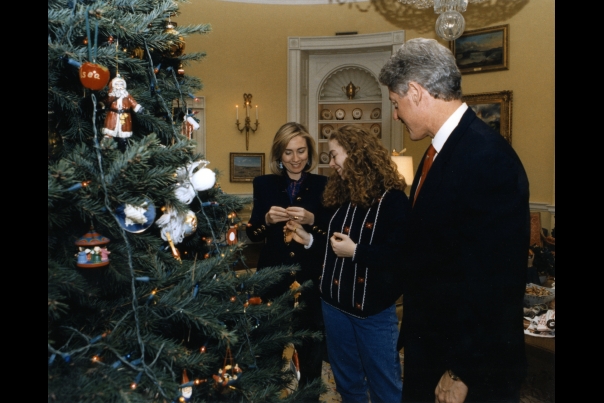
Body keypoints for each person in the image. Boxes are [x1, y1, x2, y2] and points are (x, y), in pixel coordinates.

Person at [378, 38, 530, 403]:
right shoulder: (441, 152)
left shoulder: (487, 158)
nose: (396, 115)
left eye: (395, 104)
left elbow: (497, 281)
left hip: (466, 367)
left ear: (415, 92)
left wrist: (461, 371)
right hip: (433, 348)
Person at [286, 124, 410, 403]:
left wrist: (356, 251)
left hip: (372, 314)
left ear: (355, 154)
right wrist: (309, 240)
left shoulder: (393, 200)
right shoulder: (341, 196)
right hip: (333, 307)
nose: (331, 164)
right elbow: (333, 250)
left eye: (334, 156)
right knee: (348, 385)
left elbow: (399, 257)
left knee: (385, 387)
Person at [245, 122, 329, 397]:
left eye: (301, 151)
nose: (296, 159)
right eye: (289, 153)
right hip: (272, 279)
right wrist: (267, 220)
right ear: (279, 155)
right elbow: (254, 233)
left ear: (310, 152)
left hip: (309, 280)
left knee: (311, 355)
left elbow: (331, 236)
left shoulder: (323, 185)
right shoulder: (264, 183)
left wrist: (312, 219)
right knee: (268, 352)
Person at [102, 74, 144, 151]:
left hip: (125, 115)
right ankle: (106, 145)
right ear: (113, 85)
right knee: (110, 130)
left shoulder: (127, 95)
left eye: (121, 84)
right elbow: (106, 101)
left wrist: (138, 108)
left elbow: (132, 102)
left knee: (124, 131)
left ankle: (123, 146)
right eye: (117, 84)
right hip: (113, 115)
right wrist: (102, 104)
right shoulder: (111, 95)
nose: (119, 86)